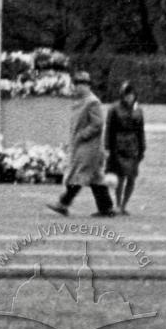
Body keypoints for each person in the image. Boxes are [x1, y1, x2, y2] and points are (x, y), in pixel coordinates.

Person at [48, 70, 115, 219]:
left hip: (89, 148)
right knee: (95, 179)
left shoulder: (92, 101)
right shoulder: (80, 101)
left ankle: (63, 204)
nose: (78, 87)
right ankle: (107, 209)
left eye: (81, 84)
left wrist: (82, 135)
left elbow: (97, 124)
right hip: (82, 146)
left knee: (78, 176)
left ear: (88, 86)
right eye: (76, 84)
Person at [105, 81, 146, 215]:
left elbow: (140, 131)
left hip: (133, 147)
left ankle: (124, 205)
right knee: (120, 177)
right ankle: (117, 204)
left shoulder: (138, 110)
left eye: (132, 95)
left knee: (132, 177)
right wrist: (107, 148)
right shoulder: (114, 109)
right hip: (118, 146)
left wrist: (142, 148)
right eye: (127, 95)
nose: (129, 97)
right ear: (122, 95)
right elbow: (109, 130)